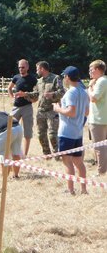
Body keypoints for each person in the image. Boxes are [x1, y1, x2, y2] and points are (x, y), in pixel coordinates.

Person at [53, 66, 90, 195]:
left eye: (64, 76)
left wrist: (57, 109)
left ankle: (70, 190)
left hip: (66, 132)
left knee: (67, 162)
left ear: (68, 77)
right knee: (79, 162)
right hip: (78, 132)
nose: (64, 78)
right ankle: (84, 189)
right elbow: (86, 112)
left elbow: (71, 112)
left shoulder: (71, 92)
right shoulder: (84, 92)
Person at [27, 61, 64, 156]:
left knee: (52, 135)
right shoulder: (39, 81)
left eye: (37, 69)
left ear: (42, 69)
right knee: (41, 135)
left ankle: (57, 154)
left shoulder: (55, 78)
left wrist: (52, 95)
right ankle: (46, 154)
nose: (36, 71)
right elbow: (35, 95)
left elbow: (62, 92)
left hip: (52, 110)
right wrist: (25, 94)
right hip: (41, 111)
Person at [8, 59, 38, 156]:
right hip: (16, 107)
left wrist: (26, 96)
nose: (21, 69)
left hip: (27, 107)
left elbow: (36, 94)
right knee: (10, 129)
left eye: (23, 67)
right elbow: (9, 88)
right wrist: (12, 96)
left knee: (27, 132)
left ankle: (24, 155)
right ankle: (11, 151)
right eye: (19, 67)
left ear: (28, 67)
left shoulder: (33, 79)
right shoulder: (16, 77)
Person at [88, 60, 107, 176]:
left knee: (99, 147)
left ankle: (101, 171)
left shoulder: (101, 81)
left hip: (98, 119)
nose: (90, 72)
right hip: (102, 118)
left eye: (91, 69)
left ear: (98, 70)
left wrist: (90, 87)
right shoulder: (103, 81)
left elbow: (93, 98)